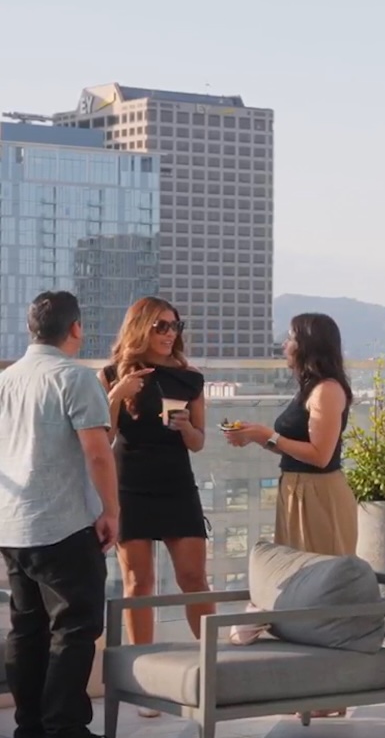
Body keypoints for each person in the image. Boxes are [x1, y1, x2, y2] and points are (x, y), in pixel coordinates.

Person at [222, 312, 357, 721]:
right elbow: (294, 447)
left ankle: (333, 692)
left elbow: (319, 454)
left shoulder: (328, 391)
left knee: (321, 589)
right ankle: (312, 687)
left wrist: (269, 435)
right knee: (302, 585)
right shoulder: (309, 389)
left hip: (320, 495)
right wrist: (257, 438)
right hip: (297, 491)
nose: (285, 345)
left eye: (291, 339)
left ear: (308, 345)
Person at [0, 291, 119, 738]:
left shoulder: (6, 380)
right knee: (75, 627)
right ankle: (64, 728)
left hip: (11, 524)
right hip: (63, 523)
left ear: (31, 329)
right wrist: (111, 511)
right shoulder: (75, 377)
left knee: (27, 629)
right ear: (76, 328)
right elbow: (99, 455)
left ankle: (30, 727)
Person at [100, 297, 212, 720]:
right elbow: (104, 435)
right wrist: (116, 394)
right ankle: (145, 679)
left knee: (193, 579)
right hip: (130, 487)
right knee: (138, 582)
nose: (169, 334)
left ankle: (210, 666)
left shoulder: (191, 378)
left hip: (177, 485)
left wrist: (187, 429)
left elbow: (200, 443)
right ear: (141, 328)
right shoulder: (112, 374)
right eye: (161, 326)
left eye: (174, 326)